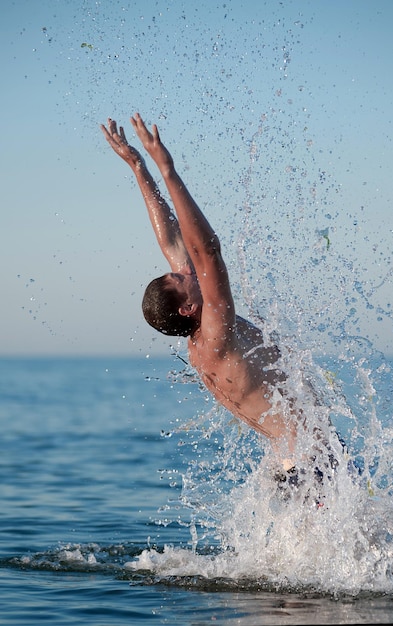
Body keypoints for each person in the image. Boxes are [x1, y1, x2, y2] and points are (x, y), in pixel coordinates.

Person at [100, 113, 332, 475]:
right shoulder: (216, 332)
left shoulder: (201, 344)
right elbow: (207, 250)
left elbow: (173, 240)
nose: (184, 267)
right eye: (180, 277)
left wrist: (138, 167)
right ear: (188, 307)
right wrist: (167, 169)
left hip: (286, 466)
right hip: (312, 465)